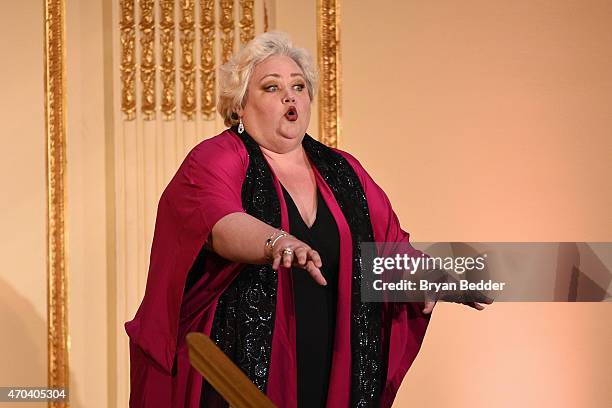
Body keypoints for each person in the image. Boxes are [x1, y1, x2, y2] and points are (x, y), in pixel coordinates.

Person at [126, 31, 485, 408]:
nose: (289, 95)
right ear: (239, 107)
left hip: (331, 366)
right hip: (237, 372)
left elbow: (390, 249)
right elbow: (220, 223)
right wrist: (277, 242)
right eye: (271, 87)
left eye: (299, 86)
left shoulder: (344, 170)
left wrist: (425, 275)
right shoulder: (217, 156)